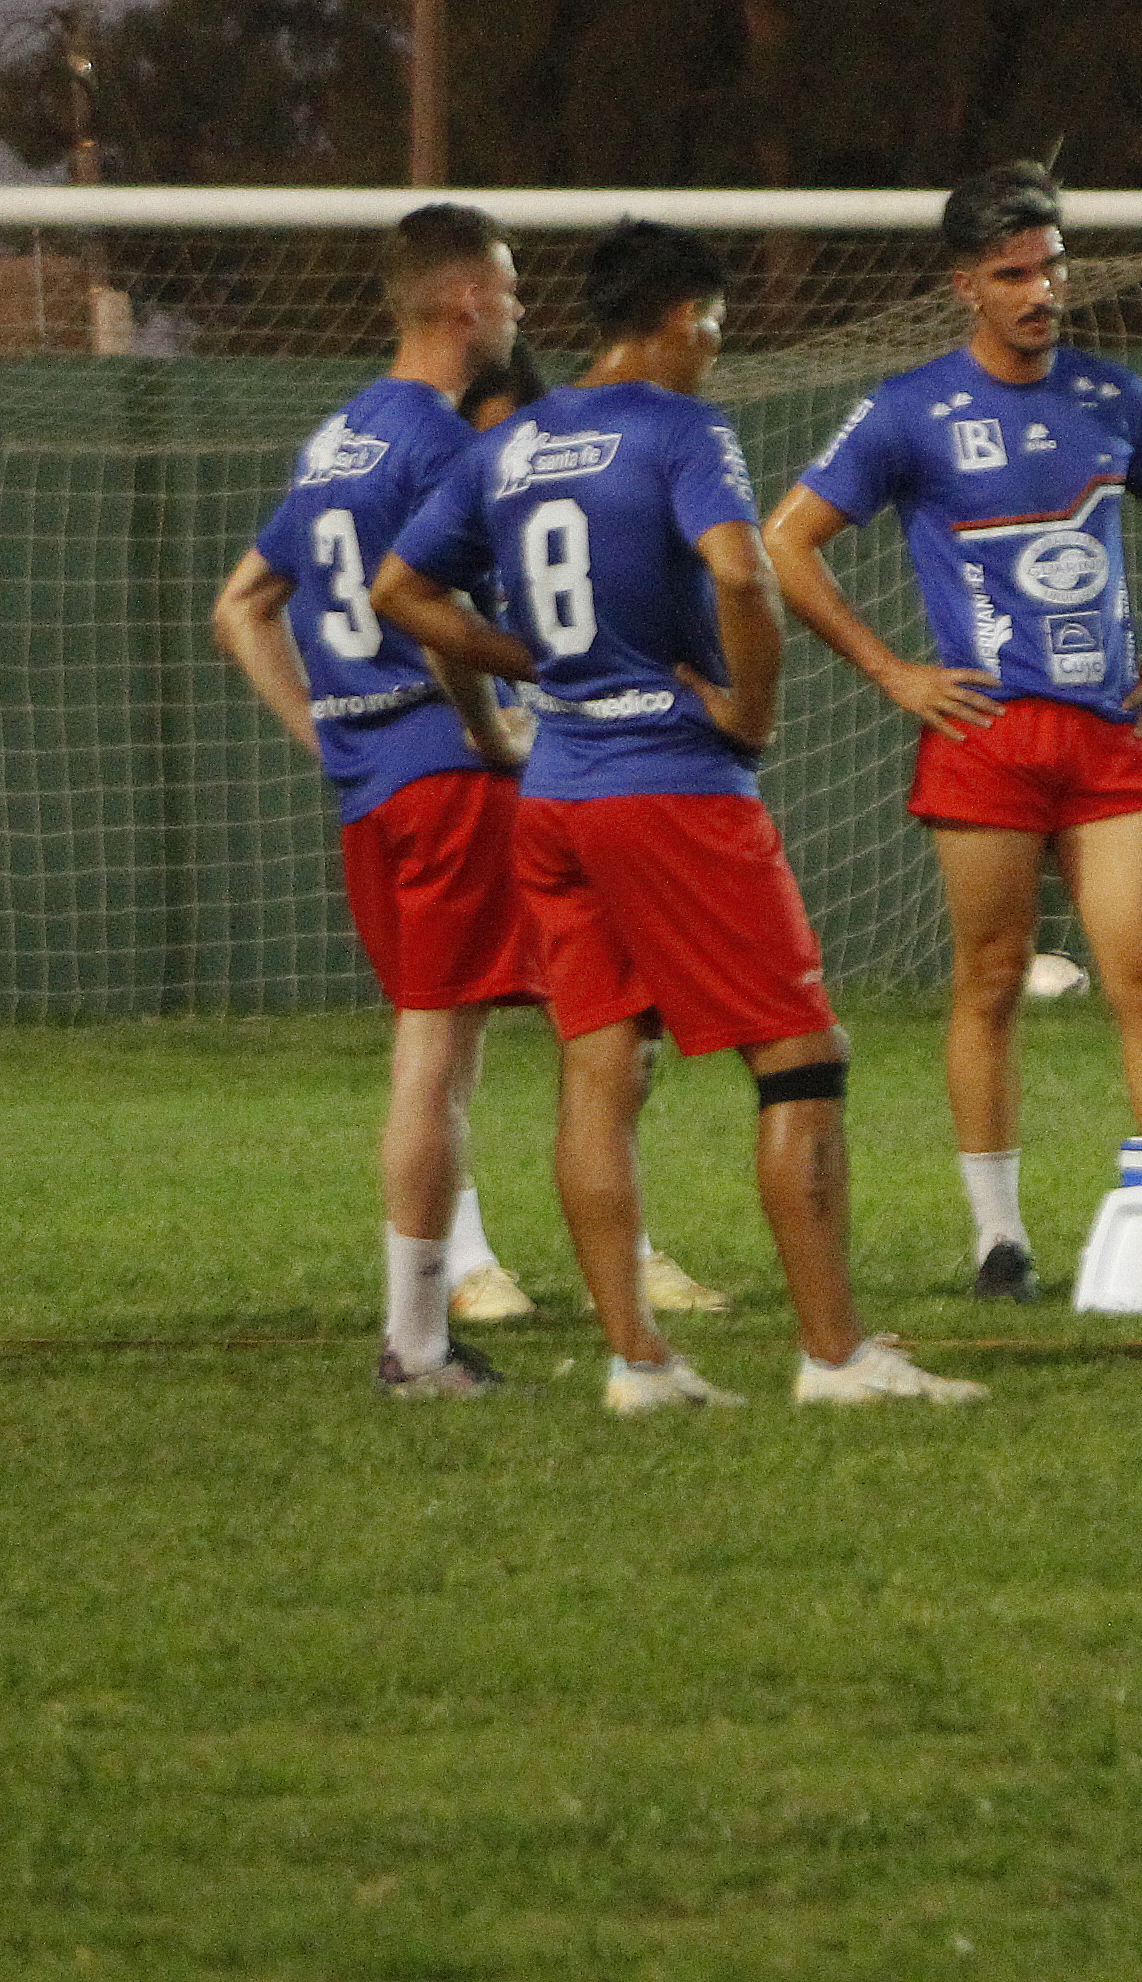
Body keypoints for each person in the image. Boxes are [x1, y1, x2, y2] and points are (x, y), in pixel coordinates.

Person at [375, 216, 983, 1412]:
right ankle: (835, 1355)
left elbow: (401, 590)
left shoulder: (510, 444)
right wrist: (750, 714)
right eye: (712, 324)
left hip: (555, 797)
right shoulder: (684, 429)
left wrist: (527, 671)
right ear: (674, 322)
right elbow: (744, 570)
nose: (715, 346)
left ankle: (638, 1362)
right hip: (671, 788)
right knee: (802, 1054)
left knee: (601, 1067)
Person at [765, 162, 1142, 1303]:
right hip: (985, 741)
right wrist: (892, 672)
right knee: (991, 977)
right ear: (966, 283)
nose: (1040, 291)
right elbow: (787, 542)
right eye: (1014, 273)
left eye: (1052, 266)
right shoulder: (914, 409)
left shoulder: (1115, 400)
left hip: (1110, 740)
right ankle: (999, 1240)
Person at [211, 205, 542, 1396]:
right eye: (508, 288)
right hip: (446, 780)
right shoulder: (445, 446)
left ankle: (427, 1325)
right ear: (463, 302)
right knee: (438, 1055)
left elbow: (240, 603)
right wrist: (486, 721)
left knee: (431, 1046)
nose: (519, 308)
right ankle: (414, 1339)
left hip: (371, 782)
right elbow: (424, 603)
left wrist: (322, 729)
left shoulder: (337, 437)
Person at [454, 342, 730, 1322]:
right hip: (468, 781)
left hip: (567, 777)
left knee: (610, 1034)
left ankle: (631, 1262)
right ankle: (460, 1261)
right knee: (453, 1030)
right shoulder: (453, 509)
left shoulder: (559, 501)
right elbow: (406, 601)